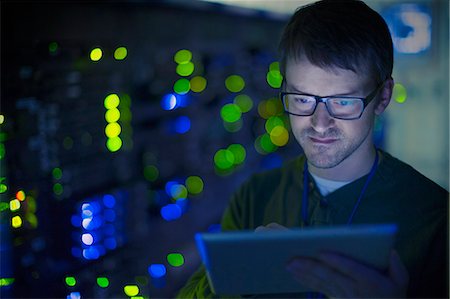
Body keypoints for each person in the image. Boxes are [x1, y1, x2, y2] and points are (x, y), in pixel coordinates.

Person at [177, 0, 449, 298]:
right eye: (303, 99)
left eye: (342, 101)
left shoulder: (436, 220)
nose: (320, 123)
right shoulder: (254, 196)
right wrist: (234, 276)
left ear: (383, 97)